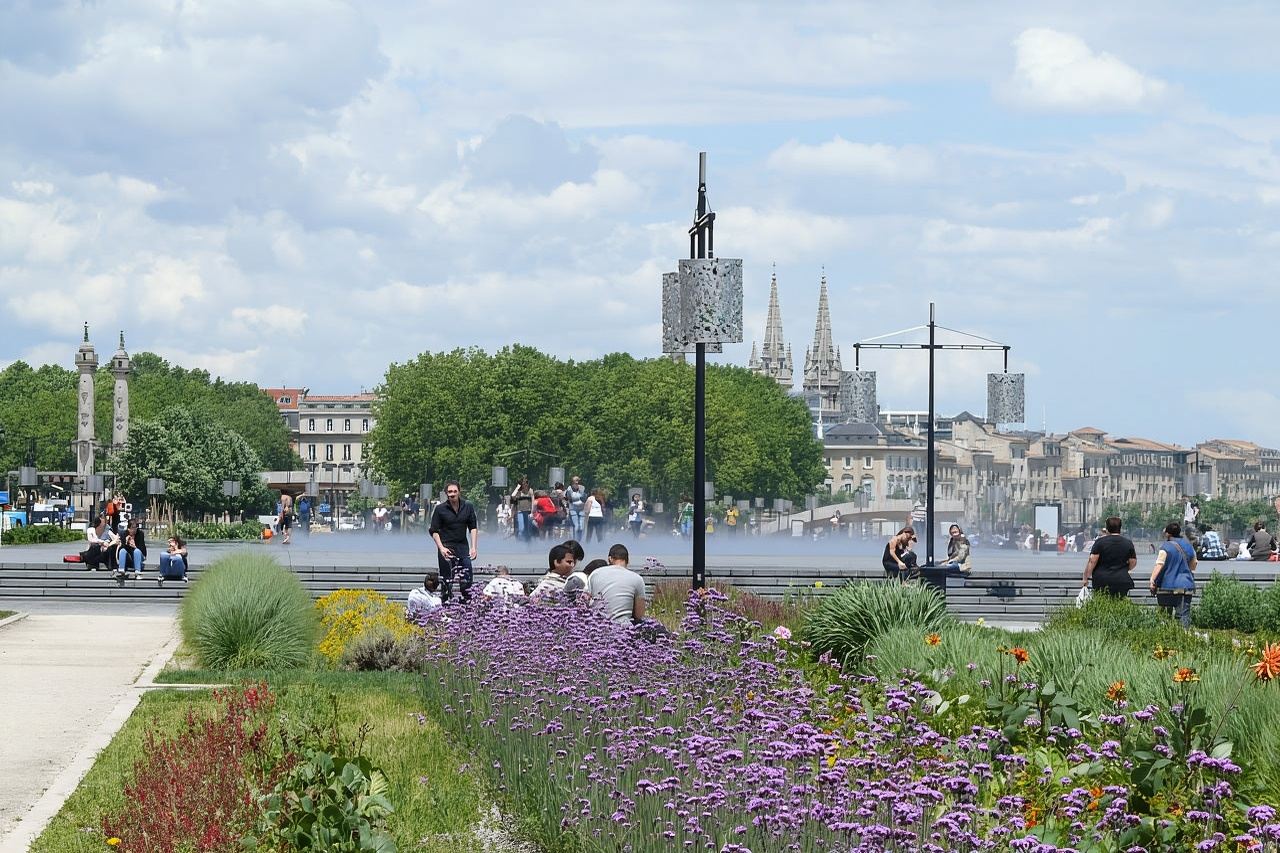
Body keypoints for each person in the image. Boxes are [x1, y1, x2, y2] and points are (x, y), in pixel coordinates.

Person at [429, 481, 479, 603]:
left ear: (459, 492)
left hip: (463, 547)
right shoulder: (440, 509)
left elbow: (473, 527)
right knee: (446, 581)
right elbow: (434, 531)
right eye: (450, 492)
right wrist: (441, 548)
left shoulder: (468, 506)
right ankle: (445, 606)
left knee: (467, 580)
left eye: (455, 491)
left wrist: (473, 547)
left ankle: (467, 607)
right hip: (446, 548)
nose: (452, 494)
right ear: (446, 493)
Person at [584, 543, 649, 626]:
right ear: (628, 560)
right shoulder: (637, 579)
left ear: (609, 559)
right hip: (623, 628)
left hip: (596, 626)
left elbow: (586, 602)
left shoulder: (595, 574)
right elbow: (639, 615)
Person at [1150, 521, 1198, 627]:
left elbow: (1159, 565)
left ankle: (1166, 634)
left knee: (1164, 617)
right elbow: (1193, 565)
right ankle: (1184, 635)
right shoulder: (1188, 546)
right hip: (1185, 587)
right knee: (1183, 616)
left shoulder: (1165, 547)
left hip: (1166, 586)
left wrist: (1152, 581)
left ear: (1168, 534)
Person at [1081, 516, 1137, 597]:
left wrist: (1086, 577)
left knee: (1102, 602)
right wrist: (1124, 569)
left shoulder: (1100, 542)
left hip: (1102, 579)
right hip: (1121, 579)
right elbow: (1133, 562)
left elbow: (1092, 560)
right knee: (1120, 601)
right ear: (1120, 528)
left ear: (1107, 528)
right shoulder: (1128, 543)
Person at [510, 477, 534, 542]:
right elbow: (513, 496)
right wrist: (517, 487)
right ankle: (521, 543)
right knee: (521, 529)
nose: (525, 486)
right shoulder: (519, 492)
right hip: (520, 512)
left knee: (528, 529)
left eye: (526, 484)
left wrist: (532, 512)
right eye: (523, 484)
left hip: (528, 512)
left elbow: (533, 502)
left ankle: (527, 543)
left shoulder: (530, 491)